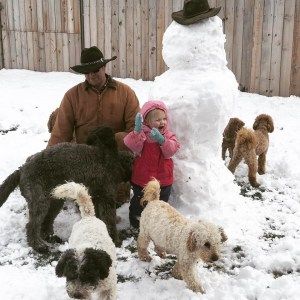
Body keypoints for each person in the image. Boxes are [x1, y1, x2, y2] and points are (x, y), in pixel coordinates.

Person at [47, 46, 140, 150]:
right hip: (84, 157)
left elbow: (135, 130)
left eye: (95, 70)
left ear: (104, 67)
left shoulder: (126, 93)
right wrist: (47, 160)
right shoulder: (72, 96)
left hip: (117, 154)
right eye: (86, 72)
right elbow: (60, 134)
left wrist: (117, 142)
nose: (91, 75)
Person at [124, 100, 180, 228]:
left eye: (164, 118)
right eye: (157, 120)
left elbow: (171, 151)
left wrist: (162, 141)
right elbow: (131, 145)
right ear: (147, 121)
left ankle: (157, 224)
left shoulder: (168, 135)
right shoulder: (142, 135)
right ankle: (136, 221)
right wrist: (137, 132)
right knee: (139, 202)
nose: (162, 122)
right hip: (142, 179)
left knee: (161, 203)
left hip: (163, 179)